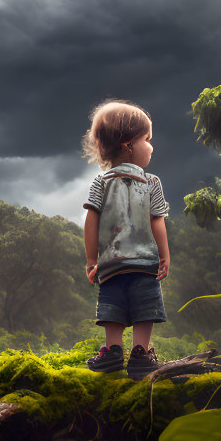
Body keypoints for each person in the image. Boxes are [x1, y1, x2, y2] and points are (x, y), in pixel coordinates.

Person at [81, 100, 171, 379]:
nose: (152, 146)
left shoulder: (101, 182)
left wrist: (92, 259)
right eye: (147, 139)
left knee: (112, 306)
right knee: (146, 307)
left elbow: (91, 220)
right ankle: (142, 353)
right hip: (145, 263)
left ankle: (113, 351)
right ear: (128, 145)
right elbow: (158, 220)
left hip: (111, 264)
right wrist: (164, 255)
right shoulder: (152, 182)